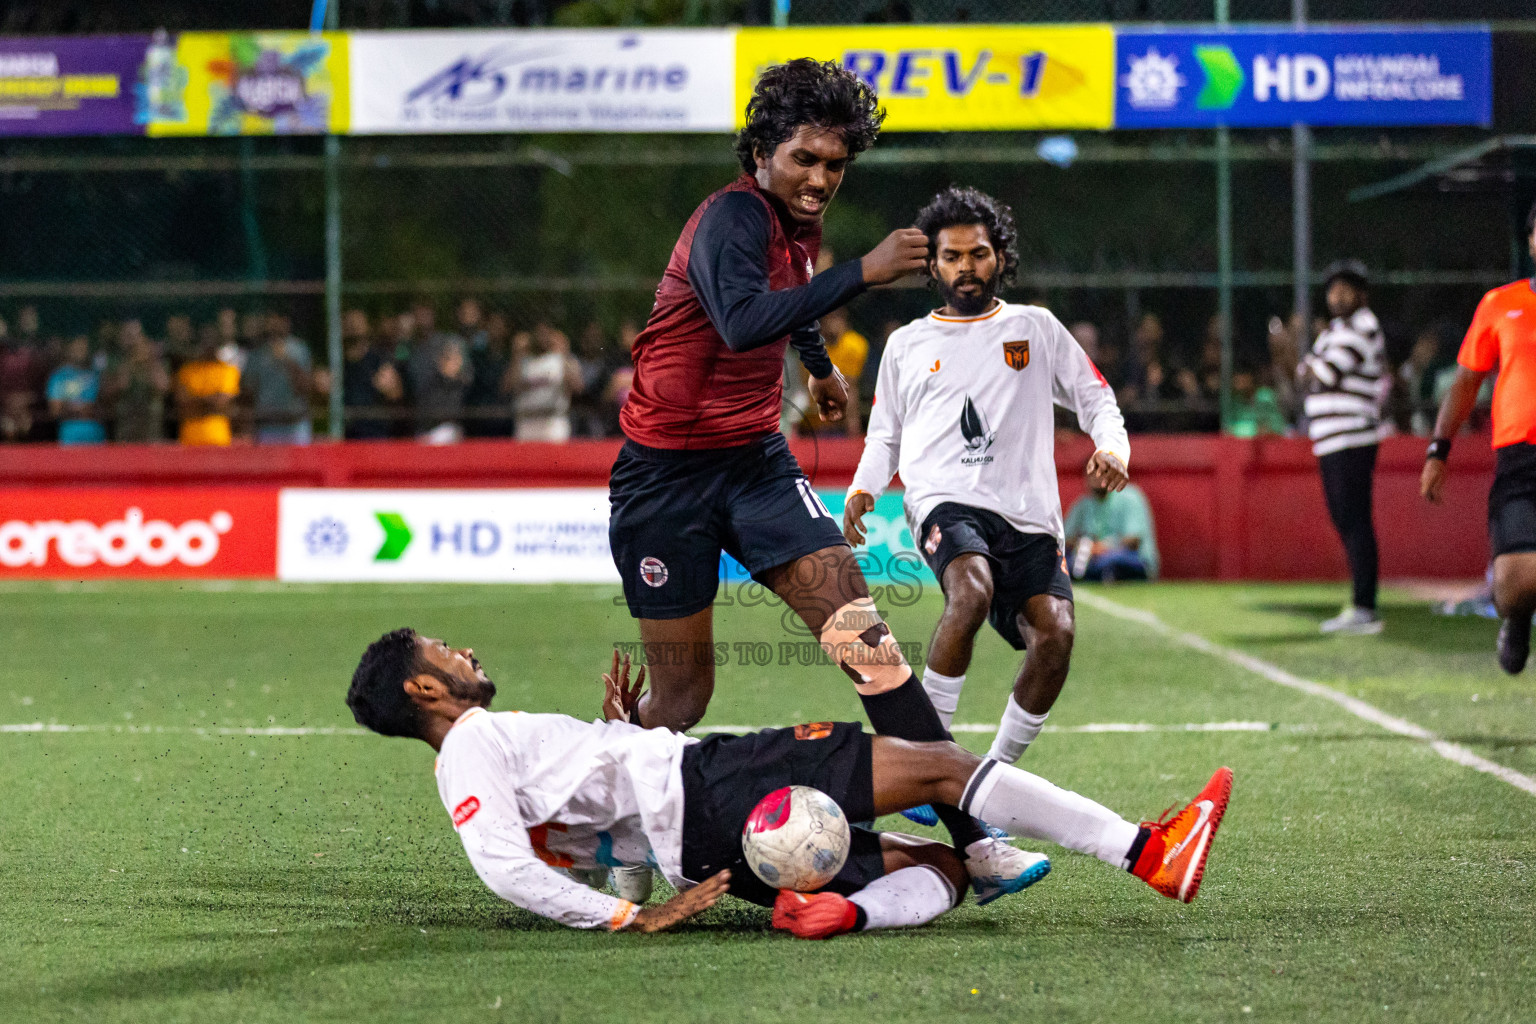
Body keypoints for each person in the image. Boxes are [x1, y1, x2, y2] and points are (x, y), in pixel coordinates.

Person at [607, 59, 1037, 895]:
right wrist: (866, 273)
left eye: (835, 165)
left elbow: (789, 296)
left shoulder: (790, 230)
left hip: (757, 465)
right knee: (684, 698)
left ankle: (975, 840)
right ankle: (618, 822)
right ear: (762, 151)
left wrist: (816, 369)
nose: (820, 180)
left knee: (866, 645)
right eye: (804, 159)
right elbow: (736, 321)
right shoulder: (733, 216)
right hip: (665, 481)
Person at [344, 628, 1234, 937]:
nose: (464, 656)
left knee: (943, 866)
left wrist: (615, 738)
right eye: (444, 655)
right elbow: (502, 864)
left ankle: (844, 911)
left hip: (701, 835)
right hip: (714, 789)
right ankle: (1149, 853)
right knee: (943, 766)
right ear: (425, 690)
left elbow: (601, 835)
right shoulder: (467, 747)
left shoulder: (478, 751)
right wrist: (626, 916)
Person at [844, 186, 1130, 785]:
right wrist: (863, 487)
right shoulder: (907, 344)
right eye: (951, 256)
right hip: (944, 501)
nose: (965, 267)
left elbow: (1095, 397)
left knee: (1055, 634)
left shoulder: (1036, 327)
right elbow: (885, 435)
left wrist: (1112, 448)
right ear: (933, 264)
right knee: (970, 589)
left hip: (1027, 516)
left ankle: (987, 781)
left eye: (977, 253)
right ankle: (927, 755)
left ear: (999, 256)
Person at [1422, 201, 1536, 674]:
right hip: (1520, 460)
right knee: (1511, 587)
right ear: (1530, 241)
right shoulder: (1500, 304)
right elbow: (1467, 384)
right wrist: (1438, 450)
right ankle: (1518, 617)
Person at [1299, 260, 1387, 635]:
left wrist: (1301, 358)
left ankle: (1365, 607)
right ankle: (1361, 603)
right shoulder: (1335, 331)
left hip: (1351, 436)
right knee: (1347, 520)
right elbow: (1309, 379)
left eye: (1346, 288)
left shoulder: (1362, 328)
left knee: (1354, 520)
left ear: (1361, 295)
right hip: (1334, 437)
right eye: (1333, 288)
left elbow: (1324, 375)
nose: (1337, 295)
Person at [1064, 465, 1159, 582]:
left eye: (1101, 472)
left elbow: (1133, 541)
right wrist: (1084, 545)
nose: (1096, 477)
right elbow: (1064, 539)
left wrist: (1102, 547)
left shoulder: (1130, 496)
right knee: (1064, 563)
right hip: (1091, 560)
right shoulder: (1082, 505)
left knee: (1111, 560)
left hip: (1133, 559)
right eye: (1091, 473)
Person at [242, 313, 314, 445]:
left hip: (295, 426)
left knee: (300, 466)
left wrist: (287, 361)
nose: (274, 326)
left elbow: (306, 387)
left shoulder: (299, 349)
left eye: (278, 321)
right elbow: (248, 392)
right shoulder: (256, 354)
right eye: (270, 322)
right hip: (267, 427)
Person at [407, 302, 473, 444]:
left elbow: (466, 377)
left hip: (447, 424)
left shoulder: (449, 342)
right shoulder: (412, 350)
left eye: (426, 314)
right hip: (422, 424)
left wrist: (449, 369)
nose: (422, 319)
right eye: (418, 315)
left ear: (433, 316)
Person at [513, 322, 582, 442]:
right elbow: (508, 386)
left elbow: (577, 387)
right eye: (539, 334)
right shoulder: (524, 361)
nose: (542, 338)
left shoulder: (561, 359)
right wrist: (517, 354)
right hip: (527, 421)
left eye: (546, 334)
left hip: (554, 422)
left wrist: (564, 352)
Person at [341, 310, 404, 440]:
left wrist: (391, 388)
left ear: (367, 328)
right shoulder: (338, 363)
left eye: (357, 323)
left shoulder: (379, 359)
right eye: (350, 323)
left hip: (375, 438)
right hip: (345, 440)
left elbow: (397, 396)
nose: (353, 327)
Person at [105, 319, 170, 443]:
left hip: (151, 424)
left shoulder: (157, 362)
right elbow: (120, 386)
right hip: (126, 424)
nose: (132, 341)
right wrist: (129, 363)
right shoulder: (115, 361)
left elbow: (163, 387)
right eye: (128, 335)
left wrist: (150, 359)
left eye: (136, 336)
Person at [174, 325, 240, 446]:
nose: (208, 346)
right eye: (205, 342)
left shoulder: (228, 370)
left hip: (219, 439)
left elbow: (221, 403)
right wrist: (210, 400)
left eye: (212, 342)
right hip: (190, 440)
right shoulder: (187, 371)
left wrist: (195, 399)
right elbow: (183, 403)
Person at [45, 335, 105, 445]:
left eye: (84, 347)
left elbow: (104, 407)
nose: (81, 350)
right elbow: (55, 410)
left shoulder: (96, 375)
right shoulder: (60, 376)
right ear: (69, 349)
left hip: (96, 434)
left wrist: (78, 408)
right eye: (77, 346)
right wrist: (83, 409)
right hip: (70, 435)